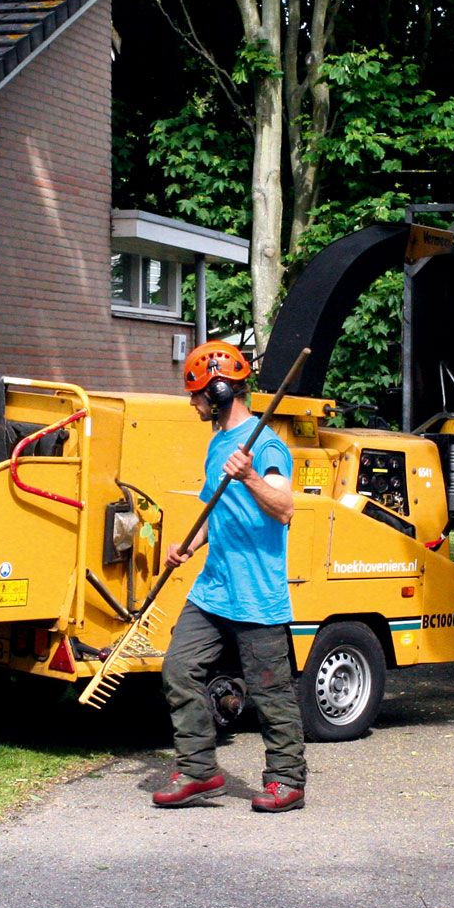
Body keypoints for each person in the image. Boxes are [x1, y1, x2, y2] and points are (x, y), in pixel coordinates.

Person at [152, 341, 308, 813]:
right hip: (213, 588)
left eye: (197, 393)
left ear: (220, 390)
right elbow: (215, 508)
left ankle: (287, 780)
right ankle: (199, 771)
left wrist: (250, 477)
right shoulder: (217, 443)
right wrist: (189, 544)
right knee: (178, 670)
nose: (193, 402)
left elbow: (285, 509)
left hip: (257, 594)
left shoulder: (268, 445)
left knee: (269, 690)